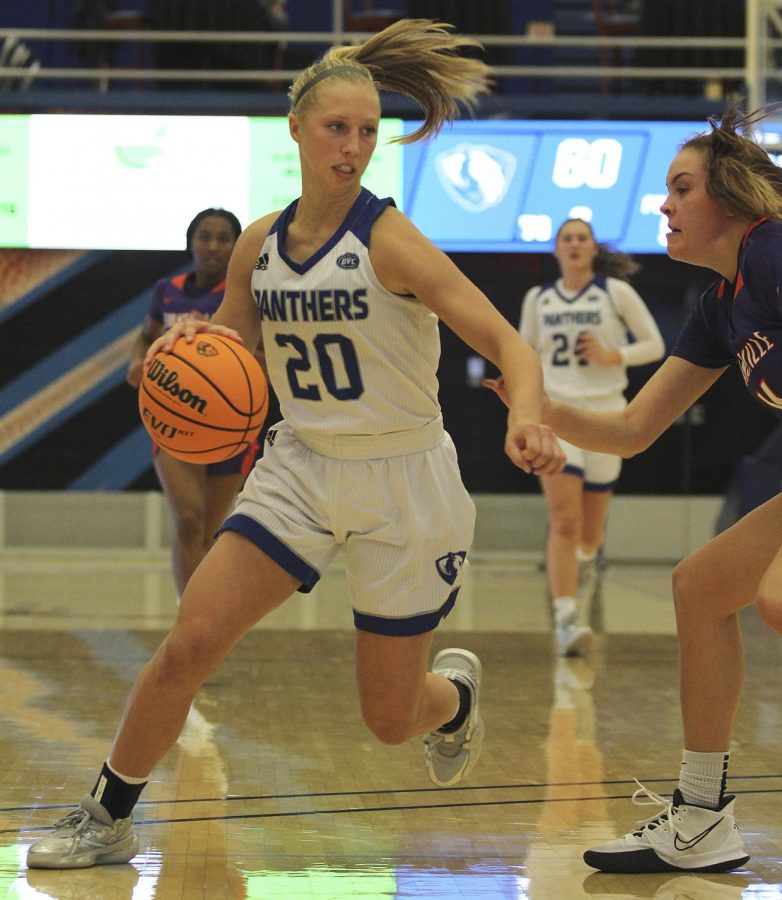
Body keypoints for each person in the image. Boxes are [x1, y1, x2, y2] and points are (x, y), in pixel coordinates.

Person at [26, 18, 562, 870]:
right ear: (298, 131)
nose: (352, 147)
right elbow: (229, 353)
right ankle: (107, 815)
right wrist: (177, 355)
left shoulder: (392, 240)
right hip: (302, 466)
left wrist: (526, 415)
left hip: (404, 478)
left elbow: (512, 344)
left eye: (366, 132)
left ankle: (452, 699)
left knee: (389, 719)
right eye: (336, 129)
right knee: (190, 643)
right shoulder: (259, 244)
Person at [486, 102, 782, 874]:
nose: (663, 204)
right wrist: (537, 406)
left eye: (681, 188)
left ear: (731, 198)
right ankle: (703, 816)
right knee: (703, 588)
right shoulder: (719, 306)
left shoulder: (780, 249)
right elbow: (632, 429)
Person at [518, 218, 664, 656]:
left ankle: (583, 568)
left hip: (606, 417)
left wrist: (610, 354)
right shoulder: (538, 298)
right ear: (556, 249)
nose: (576, 244)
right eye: (568, 238)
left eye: (583, 237)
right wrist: (522, 404)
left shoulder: (613, 292)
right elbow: (524, 354)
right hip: (557, 417)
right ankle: (565, 618)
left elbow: (655, 345)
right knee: (564, 520)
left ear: (594, 248)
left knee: (589, 533)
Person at [126, 208, 256, 601]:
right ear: (190, 241)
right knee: (188, 520)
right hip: (175, 418)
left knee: (211, 532)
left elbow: (261, 354)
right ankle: (189, 615)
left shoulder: (243, 294)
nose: (213, 246)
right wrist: (137, 360)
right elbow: (146, 337)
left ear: (237, 247)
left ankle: (205, 616)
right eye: (205, 236)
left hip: (227, 424)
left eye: (223, 238)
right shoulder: (168, 289)